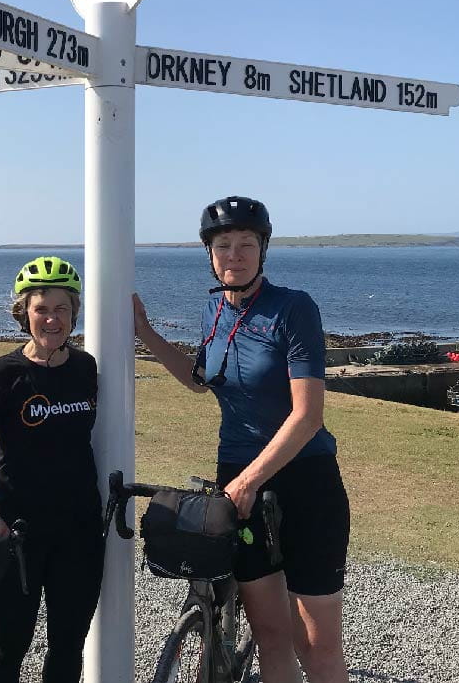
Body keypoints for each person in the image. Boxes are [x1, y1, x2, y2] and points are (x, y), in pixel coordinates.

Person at [133, 196, 350, 683]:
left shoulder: (293, 309)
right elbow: (199, 378)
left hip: (304, 481)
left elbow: (308, 416)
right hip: (238, 482)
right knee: (271, 637)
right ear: (210, 254)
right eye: (223, 245)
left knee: (316, 646)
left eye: (246, 244)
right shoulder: (213, 307)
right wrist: (144, 332)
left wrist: (251, 480)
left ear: (263, 250)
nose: (234, 254)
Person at [0, 256, 104, 683]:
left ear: (74, 314)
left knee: (68, 645)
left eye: (62, 309)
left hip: (79, 531)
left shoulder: (85, 368)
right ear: (24, 312)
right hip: (16, 531)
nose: (52, 319)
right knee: (10, 644)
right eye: (42, 308)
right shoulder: (3, 373)